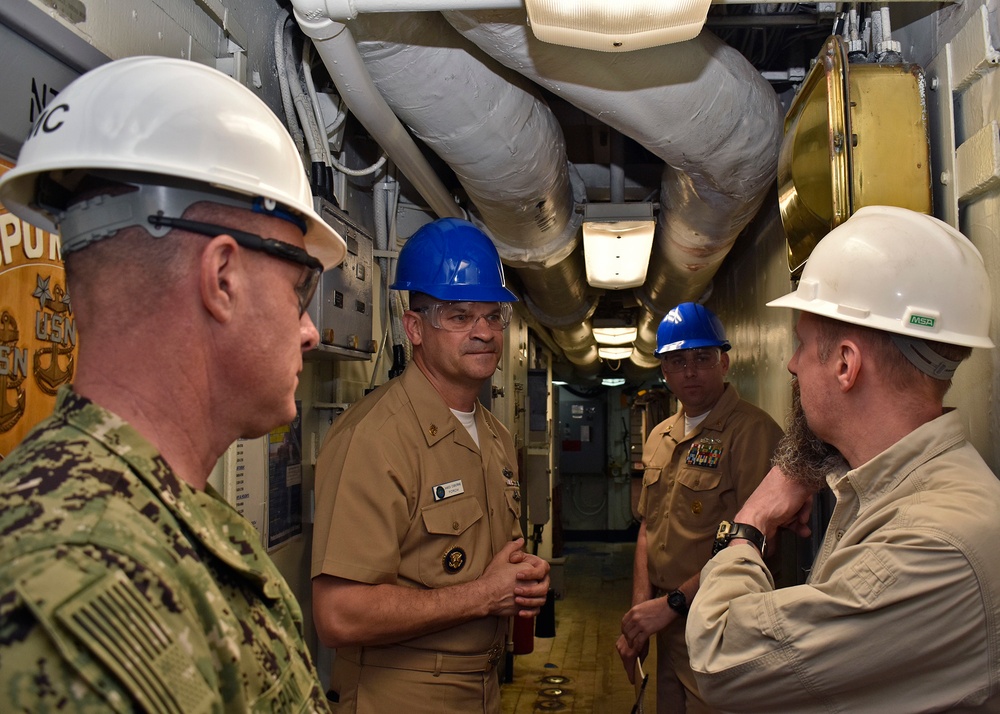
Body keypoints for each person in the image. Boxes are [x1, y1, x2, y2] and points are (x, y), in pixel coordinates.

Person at [0, 56, 346, 712]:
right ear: (223, 278)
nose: (309, 331)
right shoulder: (71, 595)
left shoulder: (174, 518)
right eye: (300, 286)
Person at [687, 205, 1000, 712]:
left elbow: (718, 655)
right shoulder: (884, 491)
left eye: (802, 345)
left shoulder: (936, 546)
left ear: (845, 364)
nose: (790, 364)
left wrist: (750, 523)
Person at [311, 217, 550, 713]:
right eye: (459, 317)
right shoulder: (375, 438)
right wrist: (484, 597)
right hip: (399, 693)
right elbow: (339, 615)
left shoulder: (495, 436)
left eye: (492, 315)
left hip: (481, 688)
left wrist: (519, 582)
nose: (482, 332)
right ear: (414, 327)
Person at [616, 302, 784, 713]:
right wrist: (641, 614)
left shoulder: (753, 433)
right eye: (678, 360)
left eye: (702, 358)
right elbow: (648, 529)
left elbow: (757, 545)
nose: (690, 370)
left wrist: (671, 604)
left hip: (722, 624)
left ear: (723, 363)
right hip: (665, 623)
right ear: (664, 371)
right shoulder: (661, 435)